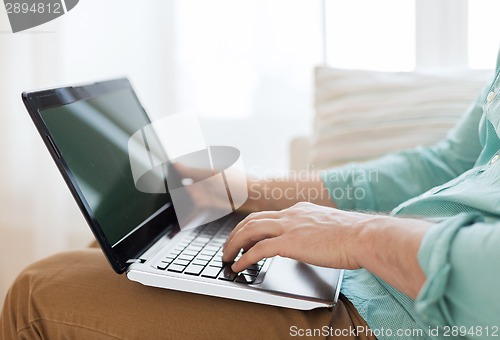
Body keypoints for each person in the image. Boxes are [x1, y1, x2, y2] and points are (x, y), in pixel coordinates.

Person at [2, 51, 500, 340]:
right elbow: (446, 164)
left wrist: (360, 234)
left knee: (38, 292)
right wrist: (249, 191)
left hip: (419, 320)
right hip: (386, 277)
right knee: (142, 247)